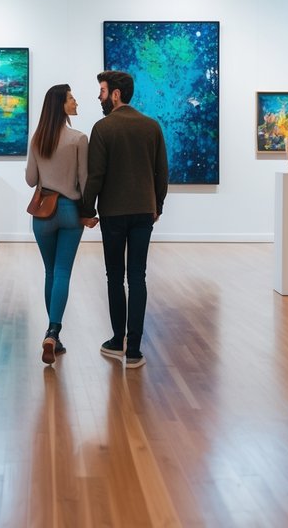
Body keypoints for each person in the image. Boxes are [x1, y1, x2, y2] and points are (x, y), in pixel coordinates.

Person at [80, 70, 168, 369]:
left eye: (102, 91)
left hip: (114, 213)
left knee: (115, 276)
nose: (100, 96)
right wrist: (157, 204)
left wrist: (86, 210)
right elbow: (162, 172)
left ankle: (118, 341)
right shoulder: (151, 126)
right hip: (144, 211)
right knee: (138, 276)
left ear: (116, 94)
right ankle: (135, 351)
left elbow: (96, 175)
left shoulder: (103, 128)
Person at [25, 84, 88, 365]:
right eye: (72, 98)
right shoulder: (78, 139)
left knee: (50, 271)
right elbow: (85, 181)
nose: (76, 102)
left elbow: (30, 179)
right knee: (63, 271)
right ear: (61, 105)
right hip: (70, 211)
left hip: (43, 213)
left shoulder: (38, 138)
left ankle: (54, 335)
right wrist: (89, 211)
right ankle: (53, 331)